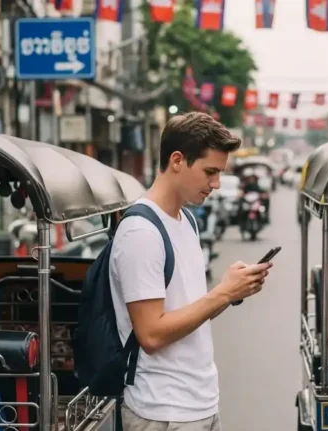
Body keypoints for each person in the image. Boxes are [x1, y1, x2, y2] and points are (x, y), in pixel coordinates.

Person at [109, 112, 274, 430]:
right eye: (210, 172)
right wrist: (223, 293)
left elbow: (189, 311)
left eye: (219, 173)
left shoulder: (187, 221)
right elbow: (152, 334)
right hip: (163, 411)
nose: (216, 184)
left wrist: (232, 290)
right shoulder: (141, 232)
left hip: (200, 402)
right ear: (177, 160)